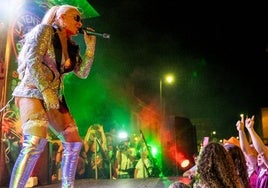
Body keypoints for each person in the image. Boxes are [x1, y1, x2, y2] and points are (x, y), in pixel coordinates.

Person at [9, 4, 96, 188]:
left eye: (81, 20)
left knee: (73, 143)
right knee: (35, 141)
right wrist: (46, 91)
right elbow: (32, 60)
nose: (80, 24)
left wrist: (90, 49)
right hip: (33, 90)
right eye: (77, 18)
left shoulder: (72, 47)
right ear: (61, 16)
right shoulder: (44, 31)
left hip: (55, 96)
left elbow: (83, 73)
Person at [244, 115, 268, 187]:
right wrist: (241, 131)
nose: (259, 156)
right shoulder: (259, 170)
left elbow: (263, 152)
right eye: (258, 155)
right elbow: (246, 151)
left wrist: (251, 129)